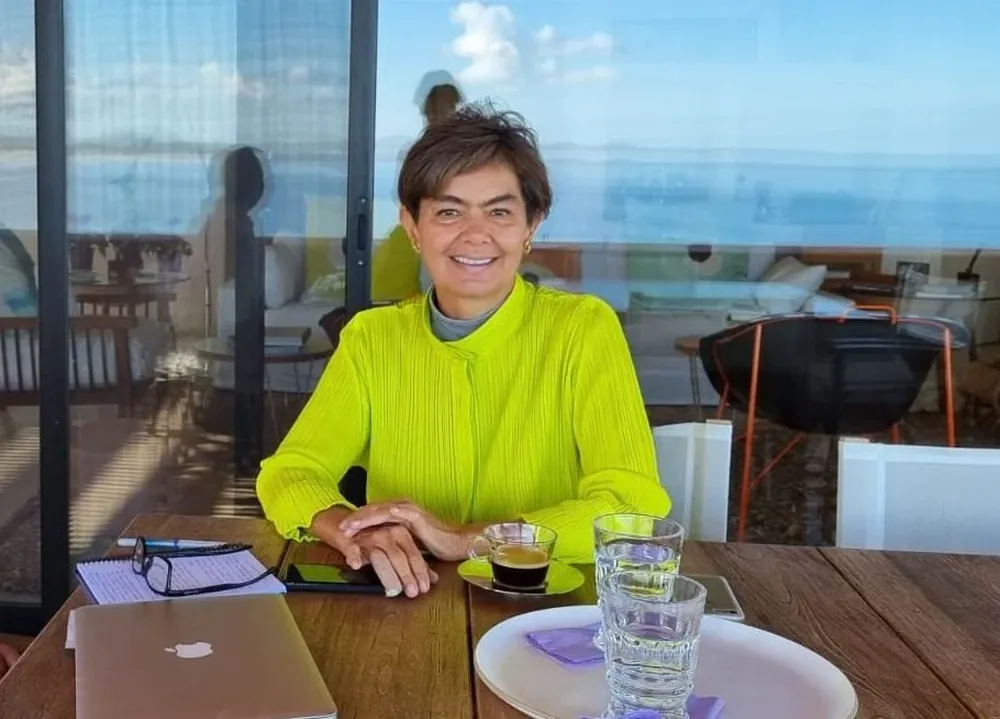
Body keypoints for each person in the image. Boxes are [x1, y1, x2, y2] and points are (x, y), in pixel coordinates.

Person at [256, 103, 670, 598]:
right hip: (406, 601)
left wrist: (469, 538)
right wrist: (350, 525)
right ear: (412, 226)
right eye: (448, 211)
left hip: (546, 604)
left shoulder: (582, 329)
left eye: (499, 212)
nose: (475, 234)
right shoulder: (373, 338)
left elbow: (630, 506)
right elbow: (291, 472)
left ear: (531, 225)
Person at [370, 72, 464, 303]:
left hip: (460, 233)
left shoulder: (467, 153)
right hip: (429, 232)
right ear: (428, 111)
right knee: (432, 293)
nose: (445, 113)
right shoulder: (413, 153)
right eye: (440, 107)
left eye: (450, 107)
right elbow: (401, 195)